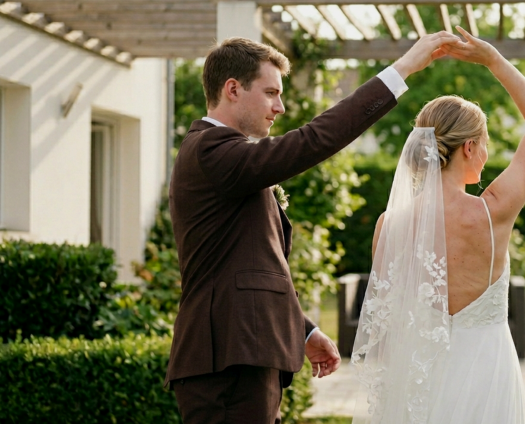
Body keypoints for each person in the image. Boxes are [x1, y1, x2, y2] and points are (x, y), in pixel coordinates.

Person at [165, 31, 460, 424]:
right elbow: (312, 141)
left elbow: (247, 262)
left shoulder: (224, 156)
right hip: (226, 360)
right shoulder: (210, 150)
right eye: (270, 93)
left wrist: (302, 329)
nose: (280, 106)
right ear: (232, 89)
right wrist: (402, 70)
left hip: (243, 353)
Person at [350, 26, 525, 424]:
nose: (488, 151)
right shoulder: (493, 211)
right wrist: (494, 61)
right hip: (486, 373)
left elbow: (390, 325)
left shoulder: (388, 224)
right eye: (485, 141)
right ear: (468, 148)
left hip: (415, 380)